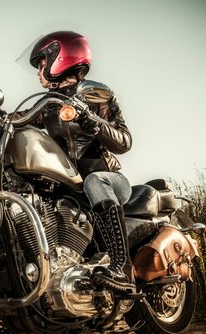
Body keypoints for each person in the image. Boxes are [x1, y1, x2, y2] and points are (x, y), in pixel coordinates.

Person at [22, 31, 135, 290]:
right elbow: (20, 119)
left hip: (109, 180)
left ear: (60, 59)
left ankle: (121, 266)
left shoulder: (98, 96)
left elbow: (125, 142)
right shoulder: (47, 104)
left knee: (94, 181)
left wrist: (93, 122)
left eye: (42, 63)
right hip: (71, 184)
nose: (39, 71)